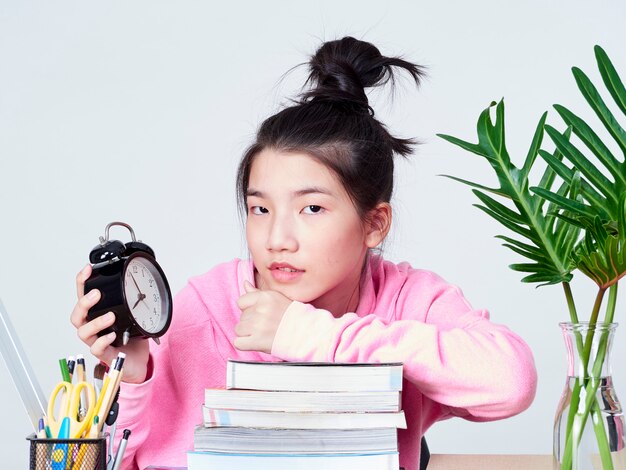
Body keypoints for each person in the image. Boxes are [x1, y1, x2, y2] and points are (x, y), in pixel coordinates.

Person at [70, 36, 537, 470]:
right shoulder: (204, 308)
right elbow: (125, 460)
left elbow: (509, 383)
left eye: (311, 208)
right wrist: (130, 378)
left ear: (374, 224)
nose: (277, 238)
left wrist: (313, 334)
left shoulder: (405, 300)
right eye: (259, 208)